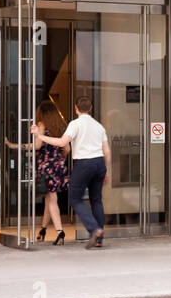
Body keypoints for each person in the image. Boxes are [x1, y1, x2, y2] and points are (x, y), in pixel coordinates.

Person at [32, 95, 108, 249]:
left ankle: (94, 230)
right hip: (100, 163)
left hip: (84, 164)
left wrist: (39, 136)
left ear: (76, 108)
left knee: (75, 199)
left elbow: (62, 143)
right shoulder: (99, 126)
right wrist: (106, 170)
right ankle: (99, 238)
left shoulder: (75, 124)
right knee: (96, 200)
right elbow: (107, 151)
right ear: (91, 108)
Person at [6, 101, 70, 244]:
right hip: (58, 165)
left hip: (46, 167)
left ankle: (60, 232)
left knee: (52, 199)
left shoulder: (41, 125)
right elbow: (67, 149)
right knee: (49, 199)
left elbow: (37, 146)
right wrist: (59, 160)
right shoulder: (62, 126)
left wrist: (15, 146)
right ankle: (42, 230)